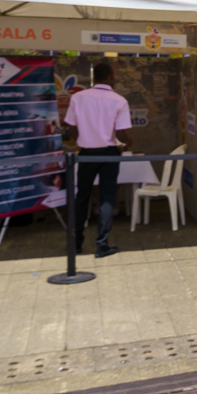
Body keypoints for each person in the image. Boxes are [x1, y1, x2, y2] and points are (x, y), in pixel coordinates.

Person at [63, 63, 132, 258]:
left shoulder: (77, 98)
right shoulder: (119, 100)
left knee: (82, 196)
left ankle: (76, 244)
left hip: (86, 153)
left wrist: (82, 139)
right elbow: (121, 133)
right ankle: (102, 245)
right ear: (110, 77)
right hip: (109, 154)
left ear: (94, 79)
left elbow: (70, 128)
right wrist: (130, 142)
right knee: (106, 197)